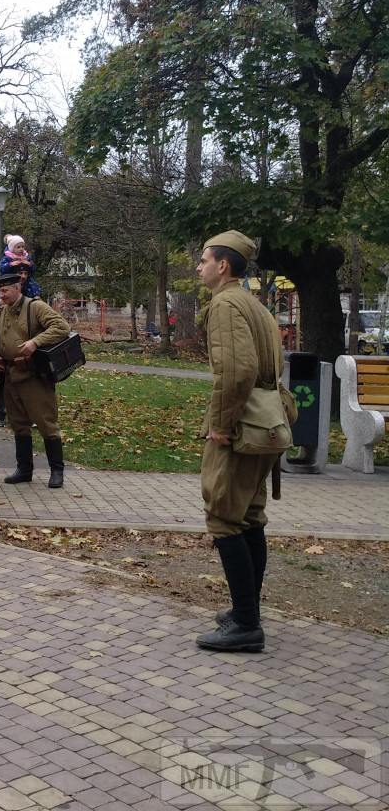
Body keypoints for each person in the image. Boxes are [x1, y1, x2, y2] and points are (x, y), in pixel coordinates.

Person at [194, 230, 286, 653]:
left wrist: (222, 424)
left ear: (223, 266)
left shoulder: (226, 304)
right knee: (249, 516)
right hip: (268, 423)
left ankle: (247, 624)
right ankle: (246, 610)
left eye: (204, 260)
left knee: (224, 516)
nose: (199, 267)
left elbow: (236, 371)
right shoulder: (258, 307)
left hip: (242, 426)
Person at [0, 272, 71, 488]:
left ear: (17, 288)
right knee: (18, 424)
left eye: (5, 291)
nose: (1, 295)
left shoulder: (35, 307)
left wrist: (35, 342)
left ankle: (56, 471)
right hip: (9, 375)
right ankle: (24, 470)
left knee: (45, 422)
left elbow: (62, 328)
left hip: (34, 375)